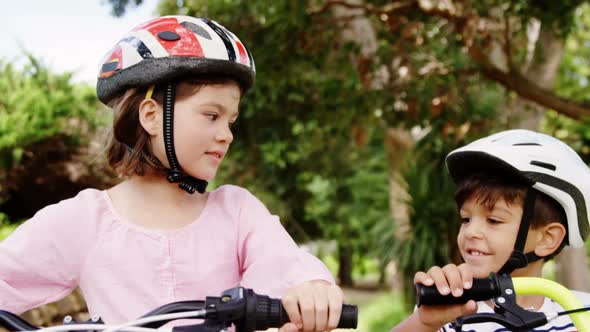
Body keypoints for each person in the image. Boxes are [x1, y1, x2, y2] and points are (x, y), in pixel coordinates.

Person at [0, 15, 344, 332]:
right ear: (150, 116)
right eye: (212, 115)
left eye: (231, 119)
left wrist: (311, 288)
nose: (226, 133)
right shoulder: (84, 220)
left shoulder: (237, 212)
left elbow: (286, 264)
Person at [392, 129, 590, 332]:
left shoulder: (580, 314)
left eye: (494, 220)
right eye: (466, 219)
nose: (470, 232)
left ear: (547, 239)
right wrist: (424, 324)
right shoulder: (448, 314)